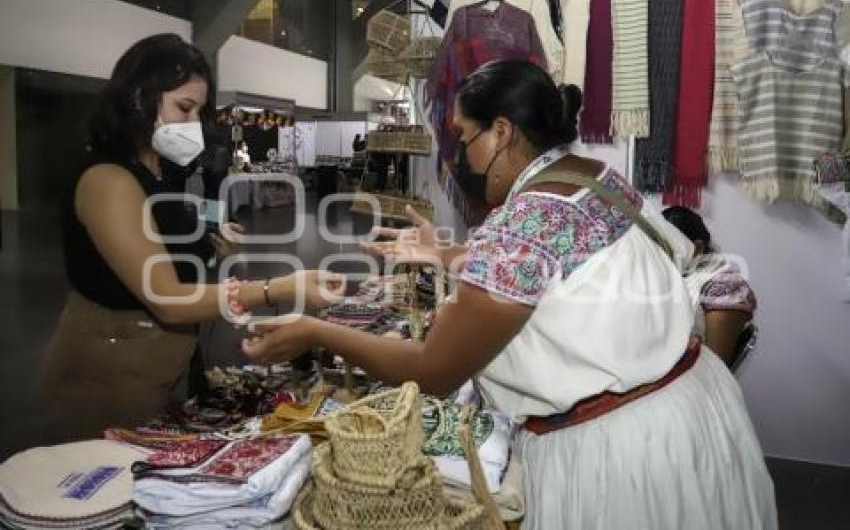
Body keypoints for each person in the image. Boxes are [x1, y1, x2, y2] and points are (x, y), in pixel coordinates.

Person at [242, 60, 777, 529]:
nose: (463, 159)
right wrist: (447, 255)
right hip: (693, 412)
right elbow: (557, 268)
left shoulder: (523, 222)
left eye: (464, 138)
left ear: (500, 133)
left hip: (621, 452)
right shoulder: (597, 176)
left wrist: (316, 330)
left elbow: (434, 369)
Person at [43, 34, 345, 439]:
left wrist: (208, 244)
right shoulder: (108, 180)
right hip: (112, 366)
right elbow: (166, 296)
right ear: (138, 98)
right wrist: (277, 288)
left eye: (198, 112)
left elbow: (166, 245)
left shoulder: (161, 169)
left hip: (167, 359)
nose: (191, 125)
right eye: (183, 108)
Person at [663, 205, 758, 367]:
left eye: (667, 249)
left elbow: (715, 364)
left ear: (698, 248)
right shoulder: (677, 276)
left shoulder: (725, 288)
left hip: (693, 382)